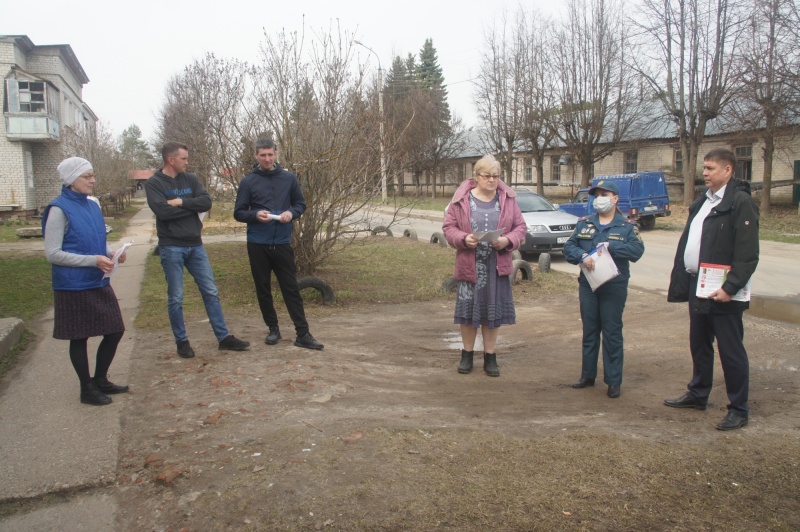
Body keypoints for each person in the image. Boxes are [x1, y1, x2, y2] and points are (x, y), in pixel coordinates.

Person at [664, 148, 759, 431]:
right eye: (704, 168)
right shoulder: (702, 202)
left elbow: (747, 253)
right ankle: (698, 393)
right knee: (699, 343)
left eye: (710, 168)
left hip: (723, 291)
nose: (705, 173)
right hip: (698, 285)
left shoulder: (740, 202)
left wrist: (731, 287)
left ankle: (739, 408)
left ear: (728, 170)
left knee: (731, 351)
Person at [146, 142, 250, 357]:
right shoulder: (154, 183)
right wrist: (190, 207)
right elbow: (162, 212)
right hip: (171, 246)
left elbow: (206, 202)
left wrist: (180, 203)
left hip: (195, 245)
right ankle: (182, 341)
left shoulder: (191, 179)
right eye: (183, 158)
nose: (187, 162)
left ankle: (223, 338)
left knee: (211, 291)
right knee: (176, 297)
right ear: (171, 159)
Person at [42, 157, 129, 406]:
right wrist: (93, 260)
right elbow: (53, 253)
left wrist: (113, 252)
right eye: (86, 176)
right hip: (72, 284)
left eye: (92, 175)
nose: (92, 180)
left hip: (98, 279)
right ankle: (86, 388)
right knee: (79, 336)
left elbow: (98, 238)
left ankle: (100, 379)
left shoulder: (92, 205)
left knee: (115, 330)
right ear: (71, 180)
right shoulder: (58, 209)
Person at [233, 138, 324, 350]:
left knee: (291, 289)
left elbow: (300, 204)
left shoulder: (288, 178)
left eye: (270, 154)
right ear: (256, 155)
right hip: (257, 243)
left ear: (276, 154)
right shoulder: (248, 182)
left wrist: (290, 213)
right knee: (263, 288)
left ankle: (303, 334)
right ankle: (273, 328)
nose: (267, 158)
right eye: (262, 155)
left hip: (282, 242)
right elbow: (238, 213)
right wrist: (256, 215)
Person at [442, 154, 527, 377]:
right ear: (476, 176)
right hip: (469, 265)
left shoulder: (507, 199)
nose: (492, 180)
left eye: (496, 176)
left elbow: (520, 227)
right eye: (487, 176)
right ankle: (467, 355)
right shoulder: (461, 199)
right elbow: (448, 227)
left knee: (492, 313)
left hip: (496, 267)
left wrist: (507, 241)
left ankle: (490, 357)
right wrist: (463, 238)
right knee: (468, 313)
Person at [563, 180, 644, 398]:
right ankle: (587, 376)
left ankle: (613, 380)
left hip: (613, 286)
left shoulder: (627, 226)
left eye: (604, 194)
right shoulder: (585, 223)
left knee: (612, 332)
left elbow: (637, 251)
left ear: (615, 199)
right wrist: (582, 256)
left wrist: (612, 246)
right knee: (590, 331)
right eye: (596, 194)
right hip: (588, 284)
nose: (599, 198)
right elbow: (569, 246)